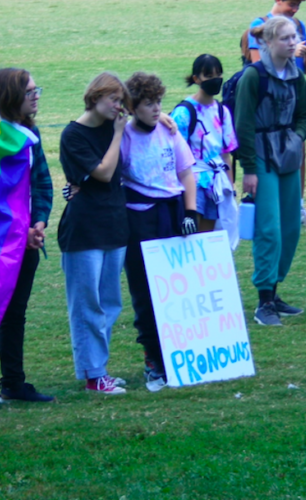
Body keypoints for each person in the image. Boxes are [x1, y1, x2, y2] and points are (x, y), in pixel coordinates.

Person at [0, 68, 55, 410]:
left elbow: (42, 183)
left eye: (37, 89)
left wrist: (38, 222)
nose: (36, 96)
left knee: (14, 313)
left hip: (24, 242)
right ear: (9, 96)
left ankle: (14, 383)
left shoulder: (30, 134)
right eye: (30, 91)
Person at [236, 16, 306, 327]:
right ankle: (264, 301)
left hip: (288, 157)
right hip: (261, 157)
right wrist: (249, 169)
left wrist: (297, 136)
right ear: (268, 43)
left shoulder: (297, 76)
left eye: (293, 36)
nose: (291, 42)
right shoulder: (253, 77)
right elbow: (242, 123)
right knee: (268, 228)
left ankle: (275, 290)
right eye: (284, 38)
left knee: (290, 228)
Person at [120, 72, 197, 390]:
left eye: (159, 103)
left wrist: (190, 212)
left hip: (172, 212)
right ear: (133, 106)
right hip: (139, 219)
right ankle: (154, 357)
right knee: (145, 292)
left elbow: (186, 172)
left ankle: (182, 352)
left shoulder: (169, 131)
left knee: (178, 287)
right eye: (148, 104)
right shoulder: (123, 135)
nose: (156, 109)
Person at [58, 72, 131, 395]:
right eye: (113, 100)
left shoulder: (113, 125)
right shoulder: (74, 135)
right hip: (85, 229)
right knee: (88, 304)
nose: (118, 106)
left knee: (110, 303)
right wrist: (117, 135)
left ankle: (100, 368)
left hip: (114, 224)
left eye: (121, 101)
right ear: (94, 97)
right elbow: (103, 172)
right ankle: (93, 374)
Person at [244, 0, 306, 227]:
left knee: (298, 149)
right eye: (291, 4)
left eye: (298, 5)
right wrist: (292, 53)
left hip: (293, 92)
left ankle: (297, 207)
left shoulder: (298, 25)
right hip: (268, 100)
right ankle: (273, 207)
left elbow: (305, 70)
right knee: (267, 154)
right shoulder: (259, 25)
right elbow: (257, 62)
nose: (295, 10)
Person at [169, 54, 239, 233]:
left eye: (218, 75)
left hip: (216, 183)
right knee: (191, 236)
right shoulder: (184, 112)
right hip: (193, 183)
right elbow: (175, 153)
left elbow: (226, 154)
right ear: (196, 79)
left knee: (208, 237)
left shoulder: (223, 112)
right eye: (209, 76)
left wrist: (230, 188)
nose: (215, 80)